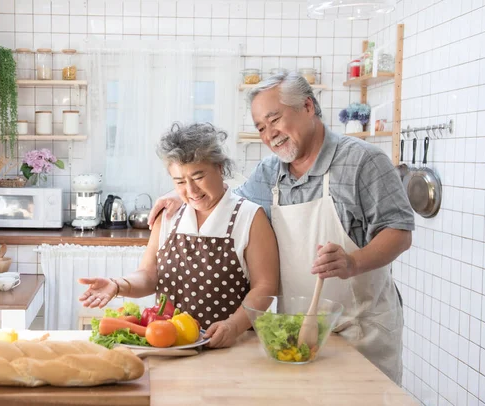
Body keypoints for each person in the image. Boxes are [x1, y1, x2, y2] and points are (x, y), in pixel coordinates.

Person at [148, 73, 414, 385]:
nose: (269, 134)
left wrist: (352, 262)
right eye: (261, 127)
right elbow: (225, 201)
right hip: (296, 333)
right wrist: (177, 194)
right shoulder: (269, 172)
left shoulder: (363, 160)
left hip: (360, 330)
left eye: (275, 119)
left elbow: (399, 232)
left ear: (308, 106)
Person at [79, 122, 279, 349]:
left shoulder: (250, 216)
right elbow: (148, 276)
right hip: (170, 346)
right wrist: (117, 285)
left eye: (199, 176)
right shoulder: (169, 215)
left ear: (220, 168)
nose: (191, 191)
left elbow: (265, 287)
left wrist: (232, 326)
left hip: (230, 346)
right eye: (180, 182)